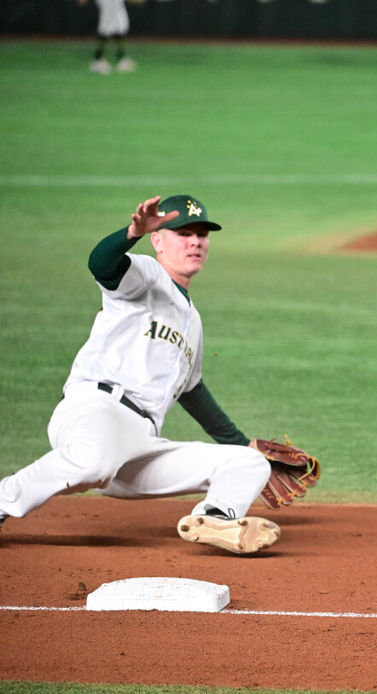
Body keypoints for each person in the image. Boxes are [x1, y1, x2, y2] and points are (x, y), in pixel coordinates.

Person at [0, 195, 280, 555]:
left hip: (140, 445)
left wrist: (241, 443)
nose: (195, 241)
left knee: (248, 462)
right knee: (91, 463)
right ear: (158, 240)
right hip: (97, 410)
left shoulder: (193, 321)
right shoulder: (146, 275)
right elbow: (101, 264)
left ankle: (215, 518)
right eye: (183, 233)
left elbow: (192, 392)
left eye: (202, 234)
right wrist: (131, 233)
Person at [82, 0, 137, 74]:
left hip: (115, 6)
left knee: (119, 29)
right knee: (105, 30)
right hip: (108, 5)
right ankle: (97, 60)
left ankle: (121, 59)